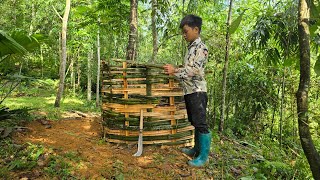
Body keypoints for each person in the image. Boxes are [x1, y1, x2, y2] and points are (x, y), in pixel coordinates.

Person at [163, 14, 211, 167]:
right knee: (195, 121)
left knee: (201, 123)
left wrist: (175, 71)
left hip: (198, 91)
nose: (184, 35)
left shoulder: (201, 47)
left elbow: (194, 70)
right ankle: (196, 149)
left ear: (196, 29)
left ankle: (203, 157)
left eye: (186, 31)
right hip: (190, 90)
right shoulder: (191, 48)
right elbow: (188, 68)